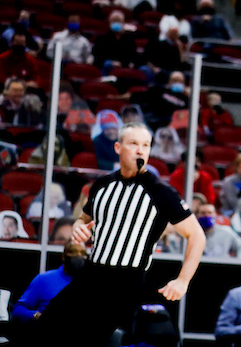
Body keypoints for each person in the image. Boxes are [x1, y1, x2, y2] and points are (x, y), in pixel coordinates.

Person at [35, 122, 206, 346]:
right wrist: (78, 227)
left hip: (126, 279)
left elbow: (197, 235)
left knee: (86, 339)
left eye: (145, 145)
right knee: (45, 328)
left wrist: (183, 280)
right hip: (91, 272)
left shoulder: (161, 191)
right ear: (118, 147)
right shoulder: (103, 184)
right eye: (133, 143)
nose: (140, 150)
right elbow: (83, 219)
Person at [11, 242, 88, 340]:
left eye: (83, 253)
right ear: (64, 257)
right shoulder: (43, 279)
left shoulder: (89, 284)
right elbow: (17, 310)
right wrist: (36, 316)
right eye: (73, 252)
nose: (79, 257)